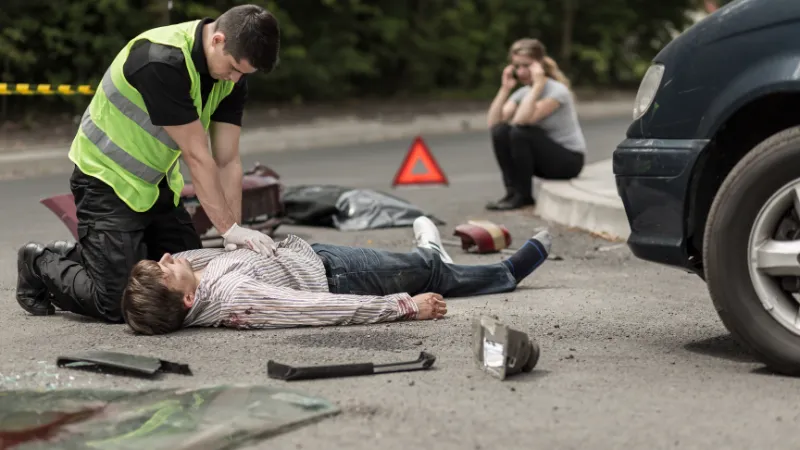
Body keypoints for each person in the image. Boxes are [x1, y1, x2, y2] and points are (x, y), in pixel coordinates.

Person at [15, 5, 281, 324]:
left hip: (156, 186)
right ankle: (40, 261)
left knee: (185, 283)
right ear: (218, 40)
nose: (236, 79)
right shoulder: (161, 61)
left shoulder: (231, 77)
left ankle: (104, 255)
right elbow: (197, 156)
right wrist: (229, 228)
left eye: (244, 74)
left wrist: (233, 237)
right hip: (105, 181)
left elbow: (227, 160)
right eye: (234, 68)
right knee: (120, 302)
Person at [120, 217, 553, 335]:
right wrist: (403, 307)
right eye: (164, 269)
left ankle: (429, 257)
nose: (167, 257)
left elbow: (202, 254)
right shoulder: (235, 299)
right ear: (187, 301)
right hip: (340, 277)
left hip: (314, 255)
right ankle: (504, 273)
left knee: (424, 270)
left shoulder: (192, 274)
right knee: (428, 274)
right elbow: (317, 308)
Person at [485, 38, 587, 211]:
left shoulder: (557, 91)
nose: (521, 72)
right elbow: (493, 122)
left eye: (526, 66)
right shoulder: (523, 92)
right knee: (500, 131)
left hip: (568, 161)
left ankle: (524, 195)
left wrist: (538, 85)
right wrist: (505, 88)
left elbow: (522, 120)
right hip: (544, 159)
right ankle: (512, 193)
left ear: (539, 64)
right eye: (517, 66)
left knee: (520, 133)